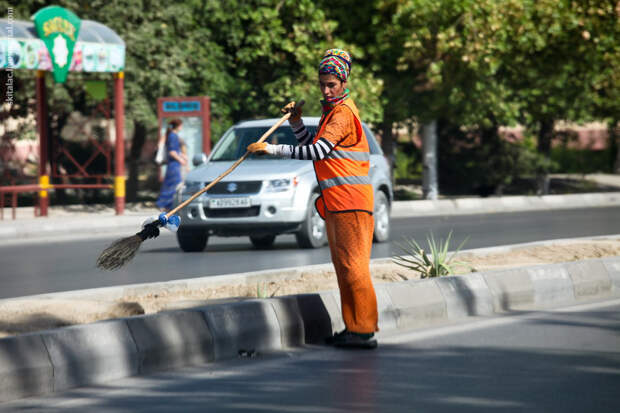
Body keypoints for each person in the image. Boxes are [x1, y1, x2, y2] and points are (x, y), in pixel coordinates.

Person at [247, 49, 378, 349]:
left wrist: (273, 149)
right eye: (322, 84)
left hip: (351, 202)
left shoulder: (343, 113)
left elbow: (317, 153)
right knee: (343, 267)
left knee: (354, 268)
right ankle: (353, 326)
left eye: (332, 84)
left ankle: (363, 331)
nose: (326, 89)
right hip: (337, 203)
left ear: (344, 82)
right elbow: (312, 143)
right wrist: (295, 122)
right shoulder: (331, 112)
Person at [156, 118, 187, 211]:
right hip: (174, 164)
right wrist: (181, 160)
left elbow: (175, 151)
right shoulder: (173, 136)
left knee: (171, 184)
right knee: (174, 184)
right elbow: (172, 152)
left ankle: (167, 204)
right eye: (181, 125)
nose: (182, 127)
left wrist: (182, 155)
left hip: (173, 164)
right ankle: (166, 204)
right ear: (178, 126)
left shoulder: (171, 135)